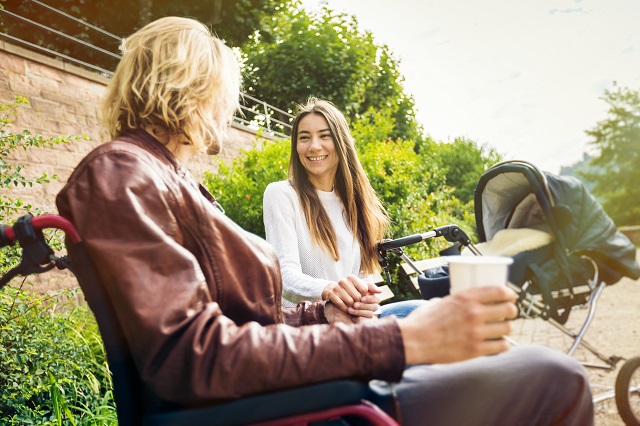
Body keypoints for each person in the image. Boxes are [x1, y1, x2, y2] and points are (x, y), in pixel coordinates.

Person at [56, 16, 594, 425]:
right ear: (193, 86)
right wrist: (398, 344)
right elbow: (192, 357)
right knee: (557, 375)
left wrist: (322, 315)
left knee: (470, 344)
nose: (229, 105)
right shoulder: (121, 175)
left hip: (280, 388)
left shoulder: (157, 174)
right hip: (278, 407)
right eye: (225, 89)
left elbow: (238, 325)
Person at [263, 98, 423, 318]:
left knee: (425, 312)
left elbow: (362, 275)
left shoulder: (352, 202)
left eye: (324, 135)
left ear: (341, 142)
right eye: (304, 138)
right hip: (311, 323)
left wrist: (366, 297)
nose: (314, 146)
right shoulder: (281, 194)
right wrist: (330, 290)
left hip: (354, 316)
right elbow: (284, 276)